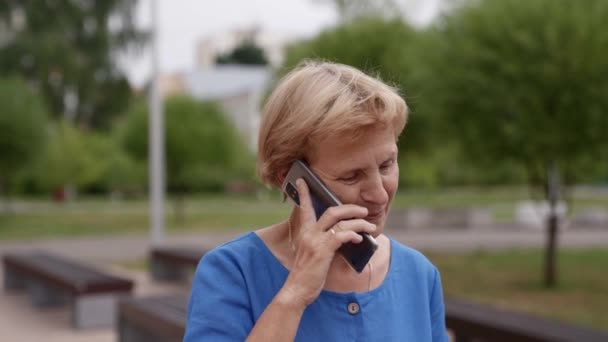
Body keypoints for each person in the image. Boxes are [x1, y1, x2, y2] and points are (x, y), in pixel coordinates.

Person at [184, 60, 448, 341]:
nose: (380, 194)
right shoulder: (232, 273)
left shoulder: (419, 275)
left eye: (386, 165)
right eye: (352, 176)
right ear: (293, 177)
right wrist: (296, 292)